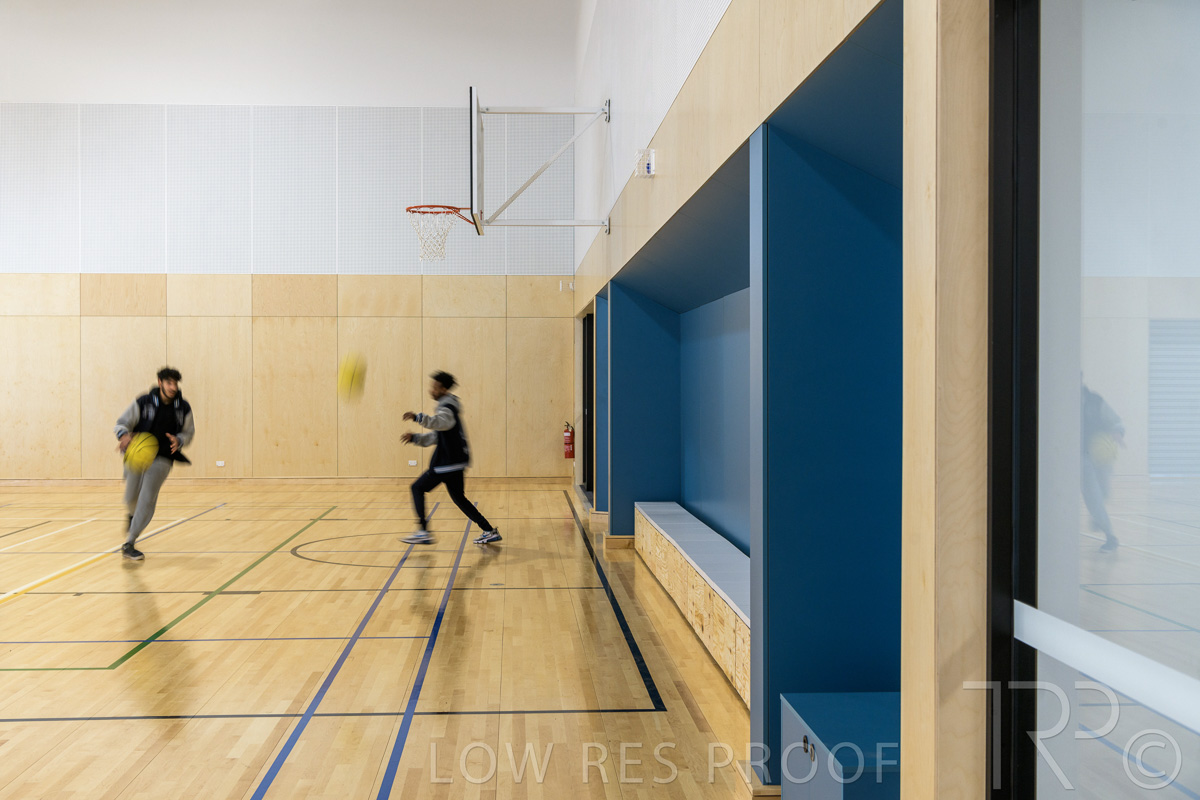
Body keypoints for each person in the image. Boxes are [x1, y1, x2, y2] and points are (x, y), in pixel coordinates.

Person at [401, 371, 501, 545]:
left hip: (446, 463)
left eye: (435, 387)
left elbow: (442, 422)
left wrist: (418, 417)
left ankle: (423, 531)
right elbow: (438, 435)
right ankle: (488, 530)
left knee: (417, 488)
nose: (431, 390)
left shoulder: (447, 408)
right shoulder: (448, 406)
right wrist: (416, 438)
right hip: (456, 462)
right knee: (459, 499)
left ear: (444, 389)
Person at [114, 367, 195, 561]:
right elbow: (122, 423)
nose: (173, 387)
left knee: (147, 498)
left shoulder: (183, 407)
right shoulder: (143, 401)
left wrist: (179, 440)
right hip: (136, 455)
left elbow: (188, 432)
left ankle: (130, 542)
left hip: (163, 457)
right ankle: (132, 516)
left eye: (175, 383)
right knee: (131, 497)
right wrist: (123, 435)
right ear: (160, 383)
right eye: (169, 383)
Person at [1081, 383, 1124, 553]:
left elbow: (1115, 421)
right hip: (1081, 457)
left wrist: (1118, 431)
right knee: (1094, 496)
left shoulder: (1095, 401)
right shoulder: (1063, 404)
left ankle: (1097, 518)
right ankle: (1111, 537)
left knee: (1104, 492)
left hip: (1102, 454)